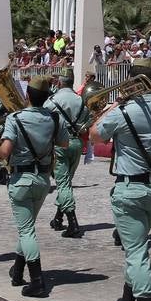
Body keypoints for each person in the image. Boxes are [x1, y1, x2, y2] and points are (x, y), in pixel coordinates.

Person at [93, 57, 151, 301]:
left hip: (130, 189)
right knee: (136, 245)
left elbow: (95, 136)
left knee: (136, 251)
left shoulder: (122, 111)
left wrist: (111, 108)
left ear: (131, 80)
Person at [0, 74, 66, 298]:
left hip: (21, 179)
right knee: (28, 227)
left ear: (27, 96)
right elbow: (64, 143)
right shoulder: (54, 118)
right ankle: (17, 271)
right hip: (43, 179)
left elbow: (5, 150)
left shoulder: (15, 118)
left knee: (26, 230)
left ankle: (37, 281)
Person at [45, 68, 89, 240]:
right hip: (77, 143)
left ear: (59, 82)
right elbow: (86, 122)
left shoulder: (52, 100)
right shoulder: (80, 99)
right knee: (66, 182)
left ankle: (73, 223)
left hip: (60, 143)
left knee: (63, 184)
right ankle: (58, 218)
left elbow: (44, 121)